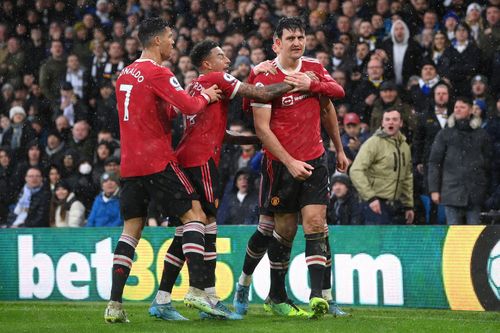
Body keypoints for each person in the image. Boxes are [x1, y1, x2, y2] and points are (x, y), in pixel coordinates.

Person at [150, 39, 303, 321]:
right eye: (222, 56)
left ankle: (163, 299)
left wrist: (255, 139)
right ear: (207, 63)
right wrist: (295, 82)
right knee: (207, 227)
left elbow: (217, 131)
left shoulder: (194, 86)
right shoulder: (217, 78)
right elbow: (261, 93)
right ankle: (205, 294)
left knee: (187, 231)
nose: (228, 61)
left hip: (186, 158)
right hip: (202, 160)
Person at [104, 17, 224, 323]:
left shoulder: (124, 75)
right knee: (195, 216)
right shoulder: (158, 71)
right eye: (170, 37)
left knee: (131, 230)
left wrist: (174, 102)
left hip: (129, 165)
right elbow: (189, 107)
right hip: (157, 161)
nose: (173, 42)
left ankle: (114, 305)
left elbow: (158, 111)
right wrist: (205, 97)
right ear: (156, 41)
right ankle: (197, 289)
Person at [238, 17, 347, 318]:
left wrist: (338, 148)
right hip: (280, 166)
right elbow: (262, 129)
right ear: (276, 43)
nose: (297, 43)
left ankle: (318, 297)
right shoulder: (264, 77)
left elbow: (333, 101)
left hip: (314, 159)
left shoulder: (313, 69)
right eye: (290, 38)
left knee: (315, 223)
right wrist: (289, 161)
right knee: (281, 231)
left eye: (301, 37)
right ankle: (272, 293)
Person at [428, 97, 492, 225]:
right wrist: (434, 190)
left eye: (462, 107)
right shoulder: (444, 134)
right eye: (456, 107)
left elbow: (489, 163)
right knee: (454, 236)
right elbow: (434, 162)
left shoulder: (482, 134)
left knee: (473, 237)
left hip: (475, 193)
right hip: (451, 192)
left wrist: (485, 188)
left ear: (470, 111)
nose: (457, 110)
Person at [350, 109, 414, 225]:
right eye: (387, 119)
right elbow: (356, 170)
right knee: (376, 242)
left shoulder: (405, 146)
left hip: (396, 205)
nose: (391, 122)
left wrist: (408, 205)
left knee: (392, 242)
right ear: (382, 123)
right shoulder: (373, 143)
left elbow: (407, 177)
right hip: (374, 203)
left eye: (395, 119)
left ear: (401, 123)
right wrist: (370, 198)